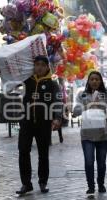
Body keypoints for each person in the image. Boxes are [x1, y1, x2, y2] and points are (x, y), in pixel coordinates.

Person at [16, 55, 63, 195]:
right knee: (23, 151)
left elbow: (58, 101)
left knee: (43, 154)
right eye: (37, 64)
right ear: (33, 66)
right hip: (26, 122)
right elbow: (10, 81)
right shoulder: (26, 81)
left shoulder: (52, 83)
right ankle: (26, 183)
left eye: (43, 64)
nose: (39, 67)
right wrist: (3, 73)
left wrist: (57, 117)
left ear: (47, 66)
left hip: (44, 123)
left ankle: (43, 182)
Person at [73, 71, 107, 196]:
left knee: (101, 162)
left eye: (97, 79)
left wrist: (101, 104)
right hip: (87, 134)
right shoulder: (82, 94)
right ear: (88, 81)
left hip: (103, 133)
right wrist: (89, 105)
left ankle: (101, 184)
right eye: (92, 79)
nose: (94, 81)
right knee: (89, 161)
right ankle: (90, 186)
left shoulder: (106, 95)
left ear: (100, 81)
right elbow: (75, 111)